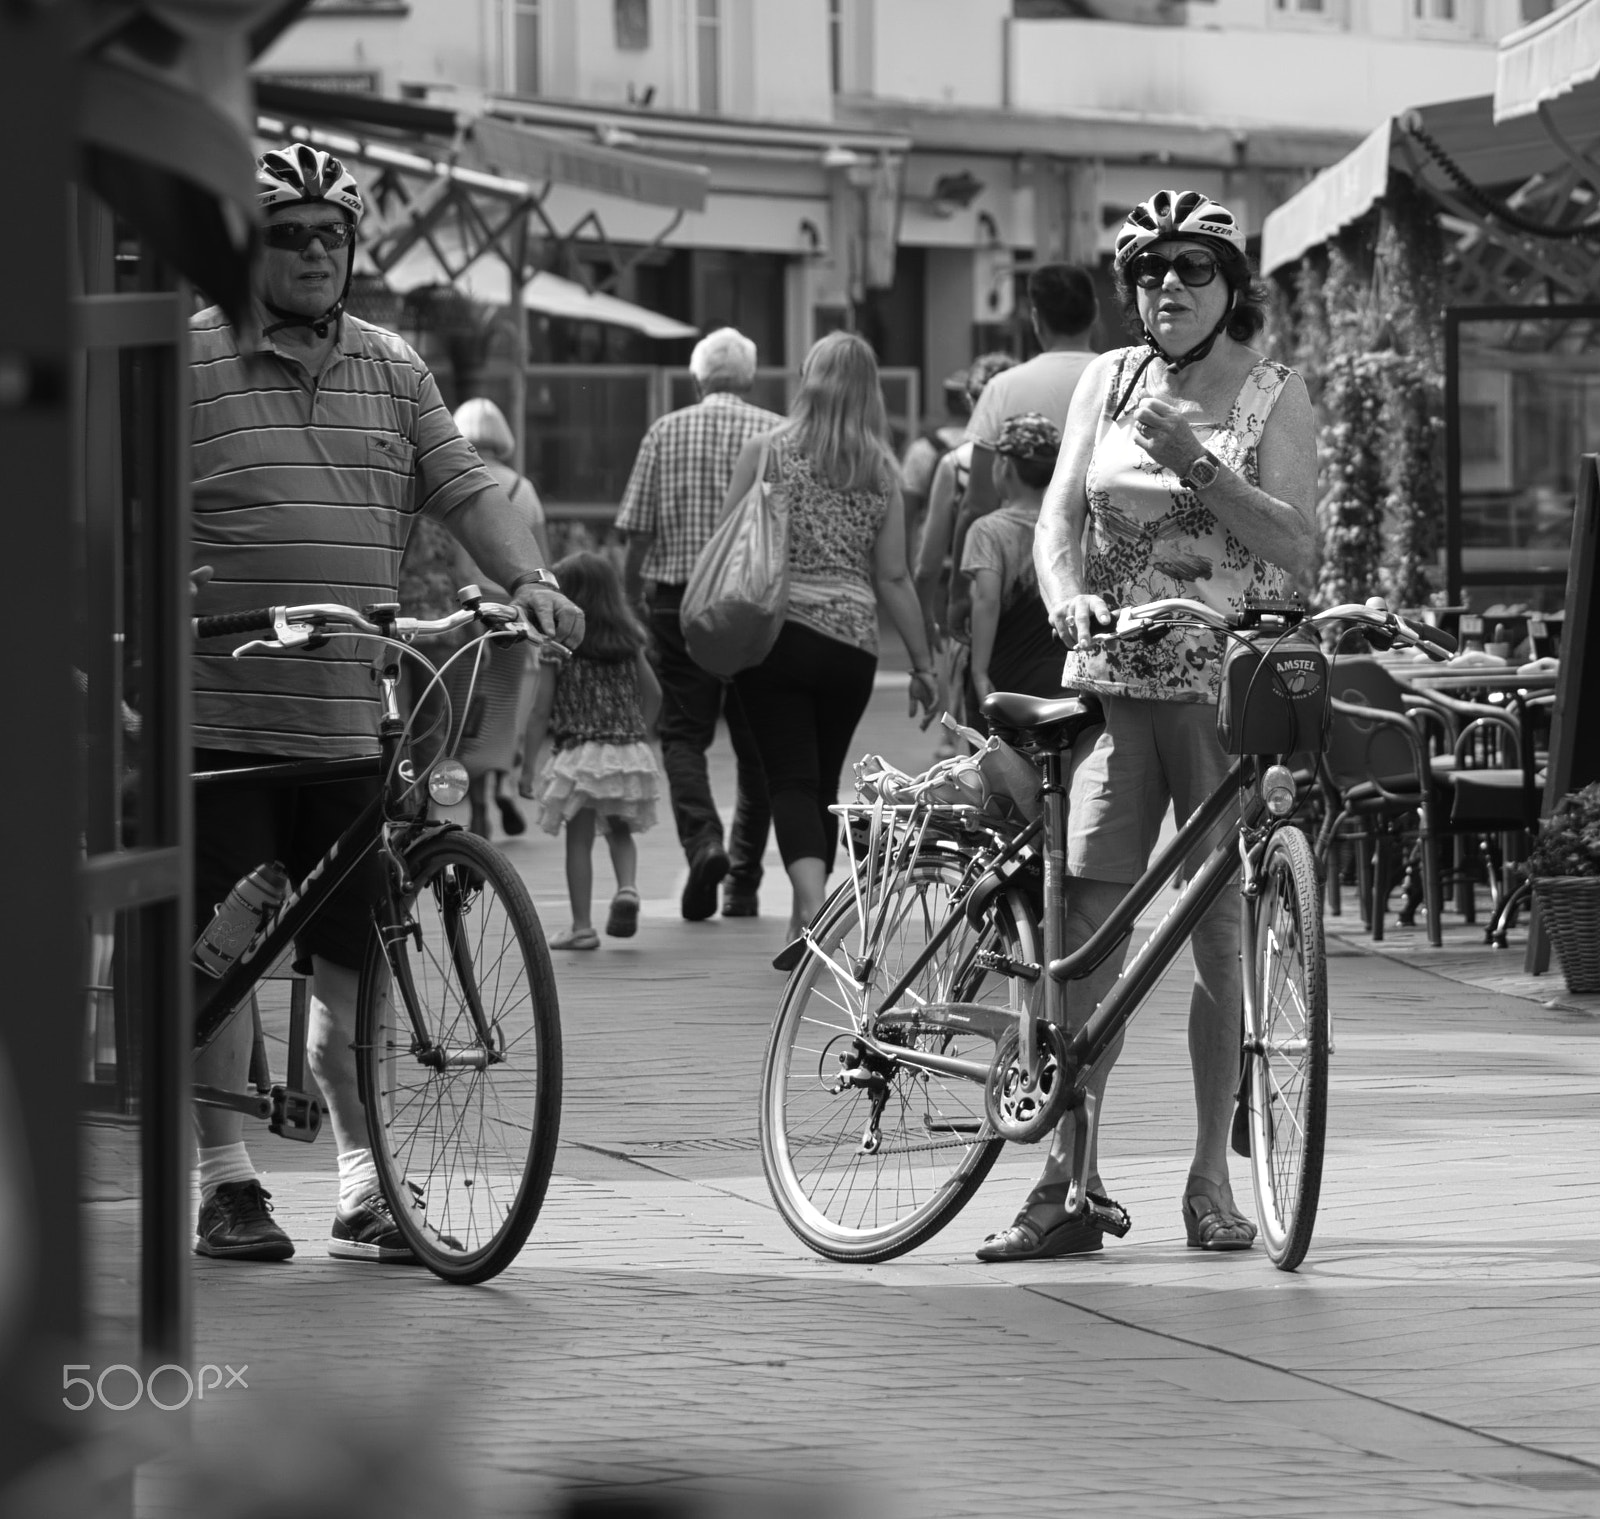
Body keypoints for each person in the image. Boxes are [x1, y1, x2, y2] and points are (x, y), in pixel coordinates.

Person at [188, 144, 584, 1265]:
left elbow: (463, 487)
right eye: (289, 234)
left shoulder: (394, 367)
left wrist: (530, 582)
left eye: (331, 235)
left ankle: (366, 1187)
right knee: (221, 969)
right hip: (221, 719)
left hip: (348, 718)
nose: (315, 253)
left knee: (352, 966)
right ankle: (226, 1182)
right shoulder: (183, 364)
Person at [977, 189, 1316, 1262]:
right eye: (1149, 272)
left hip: (1222, 693)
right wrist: (1066, 590)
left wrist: (1196, 460)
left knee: (1216, 937)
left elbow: (1300, 547)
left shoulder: (1273, 394)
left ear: (1230, 289)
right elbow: (1059, 521)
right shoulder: (1104, 381)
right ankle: (1066, 1177)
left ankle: (1209, 1182)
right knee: (1089, 937)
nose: (1168, 287)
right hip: (1112, 685)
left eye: (1193, 270)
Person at [726, 333, 939, 943]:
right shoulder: (881, 468)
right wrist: (923, 665)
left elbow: (731, 544)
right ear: (871, 391)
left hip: (776, 636)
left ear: (806, 378)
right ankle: (804, 919)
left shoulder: (767, 451)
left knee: (789, 780)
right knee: (821, 781)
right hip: (852, 646)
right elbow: (893, 575)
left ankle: (816, 910)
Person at [618, 328, 780, 922]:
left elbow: (636, 527)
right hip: (753, 605)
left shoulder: (665, 431)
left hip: (678, 602)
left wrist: (632, 592)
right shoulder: (776, 434)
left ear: (696, 379)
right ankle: (743, 881)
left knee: (683, 734)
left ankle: (703, 842)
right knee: (756, 746)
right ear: (752, 378)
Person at [521, 552, 662, 951]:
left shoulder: (558, 646)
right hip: (625, 748)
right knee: (619, 830)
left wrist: (527, 768)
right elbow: (654, 694)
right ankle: (628, 889)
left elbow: (539, 711)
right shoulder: (628, 639)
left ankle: (582, 927)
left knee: (579, 840)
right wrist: (640, 735)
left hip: (579, 753)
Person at [446, 396, 552, 840]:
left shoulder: (454, 485)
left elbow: (449, 559)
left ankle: (477, 804)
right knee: (502, 710)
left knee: (467, 709)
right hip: (509, 613)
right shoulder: (522, 489)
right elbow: (541, 557)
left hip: (465, 612)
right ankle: (495, 789)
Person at [912, 352, 1017, 740]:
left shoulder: (956, 463)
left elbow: (928, 559)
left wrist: (926, 614)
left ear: (975, 403)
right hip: (1035, 596)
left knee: (978, 715)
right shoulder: (1042, 454)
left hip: (972, 594)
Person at [960, 412, 1067, 718]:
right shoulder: (1065, 526)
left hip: (1004, 676)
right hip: (1060, 675)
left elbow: (987, 600)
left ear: (1004, 464)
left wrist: (978, 673)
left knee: (997, 762)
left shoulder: (988, 530)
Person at [898, 368, 971, 572]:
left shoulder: (921, 450)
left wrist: (905, 569)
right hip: (978, 562)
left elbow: (907, 516)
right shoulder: (987, 449)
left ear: (946, 403)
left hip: (933, 563)